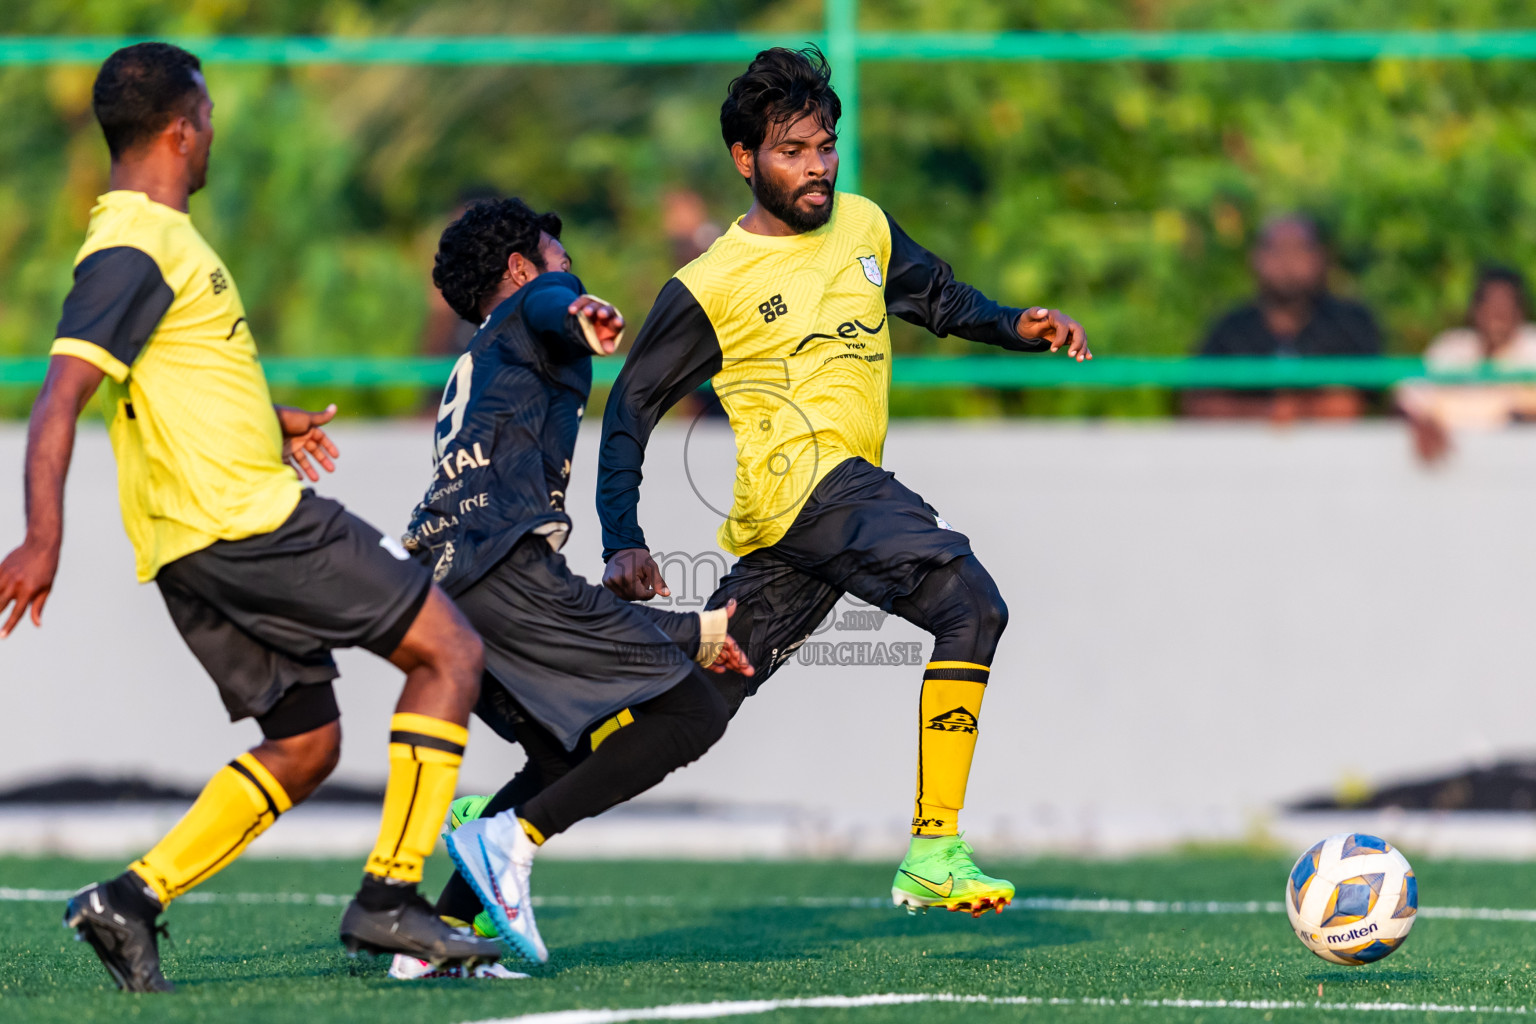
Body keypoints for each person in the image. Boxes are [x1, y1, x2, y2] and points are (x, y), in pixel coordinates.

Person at [0, 43, 500, 993]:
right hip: (252, 526)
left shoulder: (147, 241)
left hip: (198, 543)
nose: (215, 131)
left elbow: (163, 384)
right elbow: (60, 398)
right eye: (211, 116)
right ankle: (392, 897)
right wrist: (42, 537)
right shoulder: (137, 245)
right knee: (452, 653)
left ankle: (132, 900)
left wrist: (268, 422)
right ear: (183, 131)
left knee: (307, 743)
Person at [597, 46, 1090, 917]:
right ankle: (936, 848)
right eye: (792, 150)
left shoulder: (863, 225)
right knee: (970, 606)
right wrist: (623, 536)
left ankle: (506, 824)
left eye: (824, 145)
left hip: (810, 526)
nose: (817, 166)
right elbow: (631, 408)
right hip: (812, 488)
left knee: (692, 710)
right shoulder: (709, 285)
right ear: (745, 160)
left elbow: (939, 296)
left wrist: (1018, 324)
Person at [398, 198, 753, 964]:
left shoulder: (480, 354)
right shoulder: (536, 303)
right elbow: (557, 303)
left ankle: (434, 940)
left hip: (443, 585)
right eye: (559, 258)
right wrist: (581, 306)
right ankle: (510, 840)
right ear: (522, 269)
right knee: (692, 712)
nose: (571, 269)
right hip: (501, 567)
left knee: (561, 758)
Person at [1184, 215, 1383, 420]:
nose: (1287, 261)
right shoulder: (1229, 328)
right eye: (1276, 249)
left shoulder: (1350, 322)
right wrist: (1272, 413)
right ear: (1255, 258)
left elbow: (1355, 404)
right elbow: (1201, 404)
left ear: (1321, 257)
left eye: (1300, 248)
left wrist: (1288, 412)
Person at [1399, 266, 1536, 463]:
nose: (1498, 315)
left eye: (1506, 306)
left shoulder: (1531, 348)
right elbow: (1407, 399)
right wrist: (1421, 422)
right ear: (1476, 310)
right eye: (1492, 305)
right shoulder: (1451, 348)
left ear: (1520, 311)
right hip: (1449, 467)